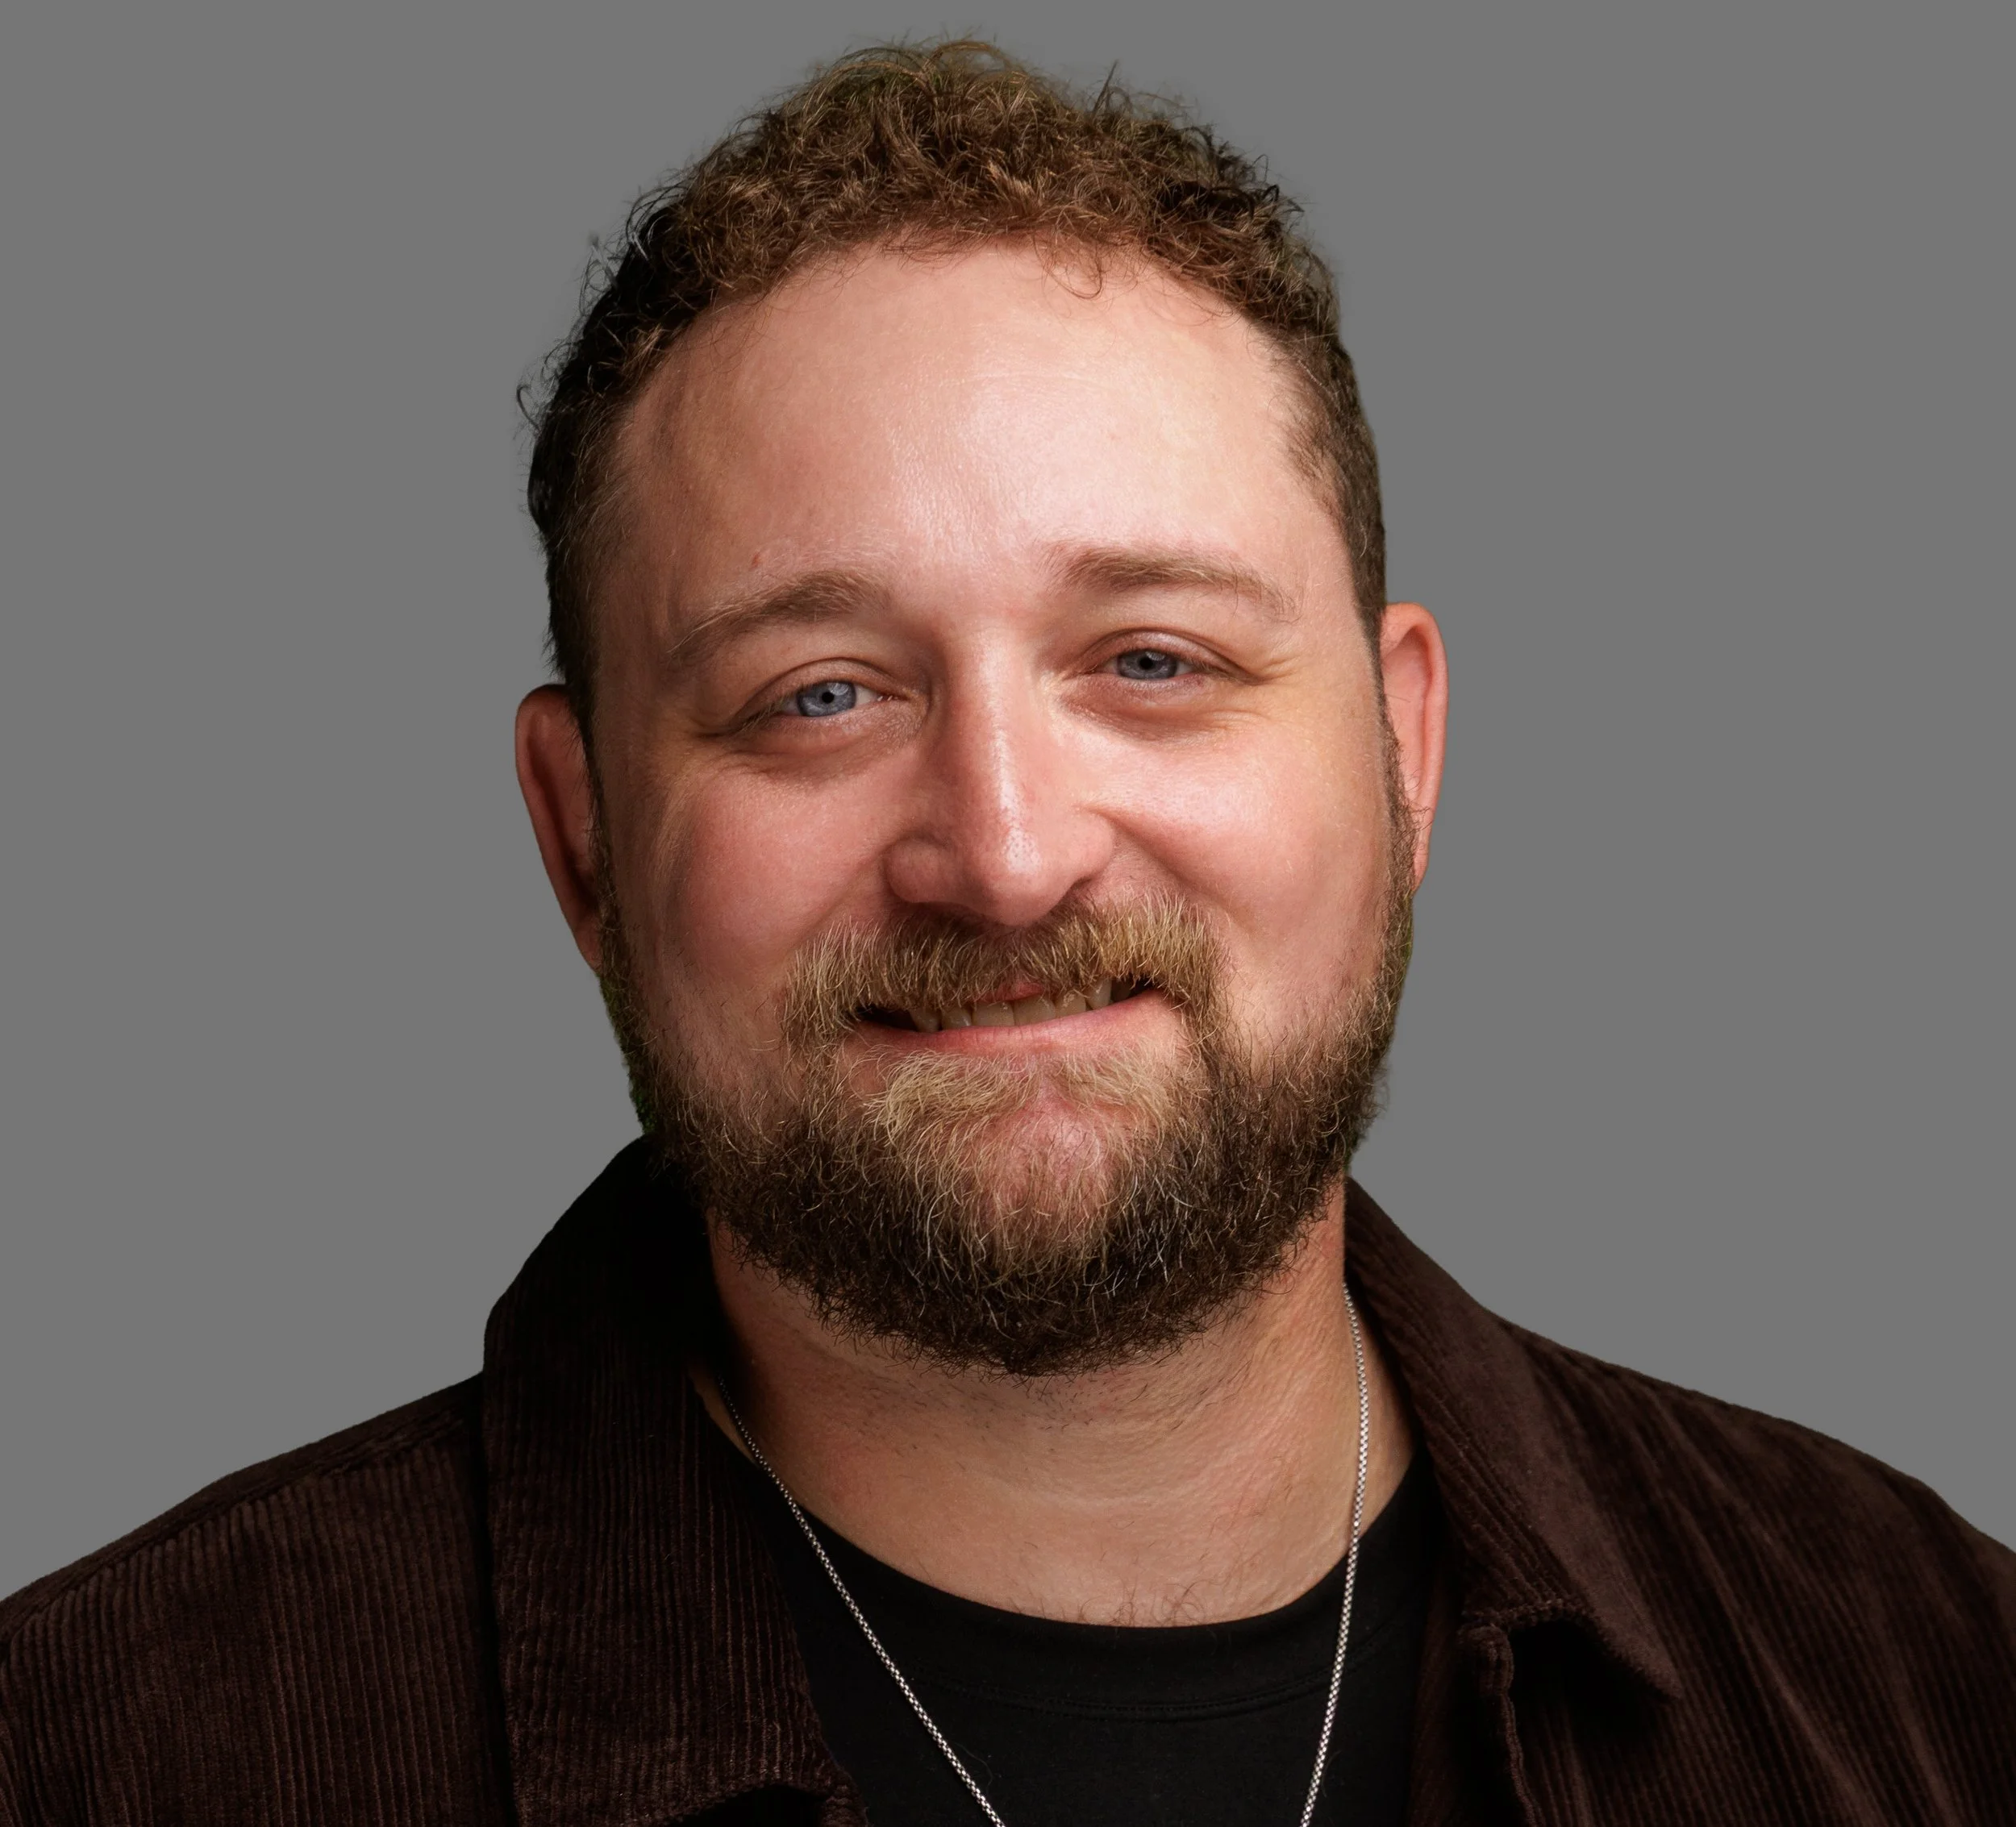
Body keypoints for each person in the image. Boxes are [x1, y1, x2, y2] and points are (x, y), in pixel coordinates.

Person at [2, 41, 2010, 1827]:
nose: (1006, 849)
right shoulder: (100, 1752)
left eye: (1150, 658)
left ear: (1400, 750)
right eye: (819, 694)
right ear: (581, 833)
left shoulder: (1930, 1673)